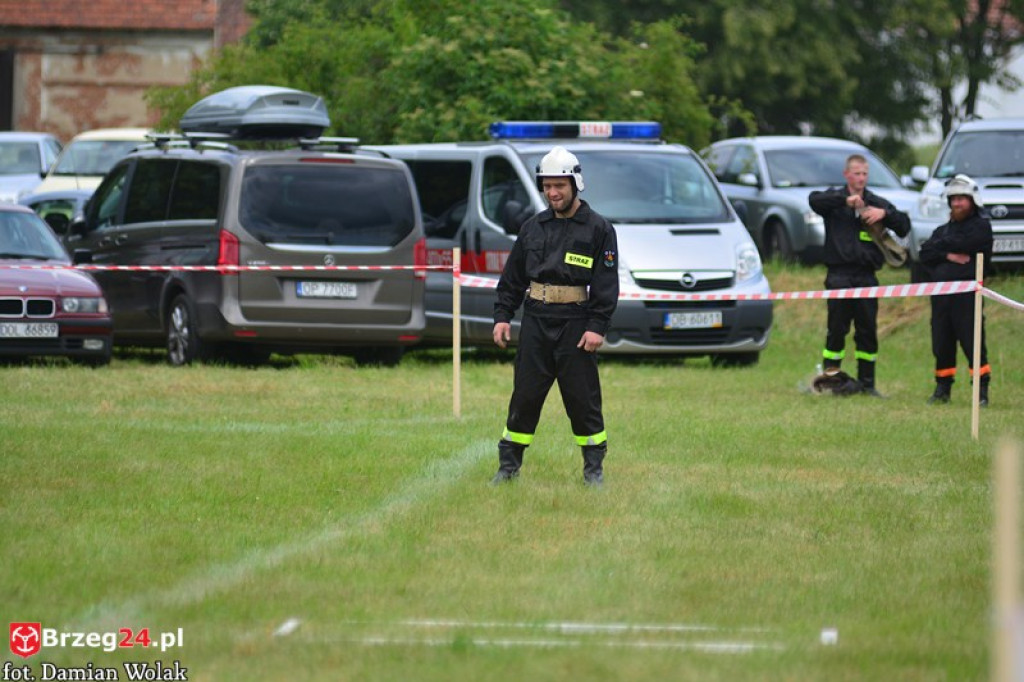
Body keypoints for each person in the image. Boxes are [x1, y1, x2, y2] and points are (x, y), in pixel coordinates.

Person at [491, 146, 619, 486]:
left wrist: (597, 326)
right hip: (535, 320)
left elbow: (606, 285)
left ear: (575, 184)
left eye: (559, 185)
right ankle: (508, 468)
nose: (553, 192)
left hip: (576, 326)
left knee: (583, 399)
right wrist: (502, 316)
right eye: (547, 186)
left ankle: (593, 470)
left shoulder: (599, 229)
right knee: (525, 396)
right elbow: (512, 279)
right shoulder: (532, 227)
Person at [808, 154, 911, 396]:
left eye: (865, 174)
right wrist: (845, 200)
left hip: (866, 277)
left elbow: (904, 226)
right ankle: (831, 381)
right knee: (836, 330)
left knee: (867, 331)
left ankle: (867, 384)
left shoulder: (876, 202)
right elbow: (814, 200)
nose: (861, 178)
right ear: (847, 175)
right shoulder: (834, 201)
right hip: (839, 276)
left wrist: (884, 215)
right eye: (856, 173)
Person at [918, 174, 994, 406]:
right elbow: (924, 253)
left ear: (972, 201)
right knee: (941, 343)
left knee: (973, 342)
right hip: (942, 298)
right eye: (954, 199)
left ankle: (980, 392)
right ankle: (942, 389)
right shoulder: (942, 230)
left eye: (962, 198)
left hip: (967, 298)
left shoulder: (981, 227)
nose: (957, 203)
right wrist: (947, 254)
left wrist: (940, 248)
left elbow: (969, 243)